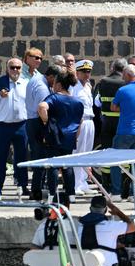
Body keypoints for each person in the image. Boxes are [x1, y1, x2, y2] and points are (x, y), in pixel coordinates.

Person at [31, 196, 135, 266]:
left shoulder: (81, 225)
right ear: (105, 211)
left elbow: (33, 249)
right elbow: (133, 227)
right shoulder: (76, 225)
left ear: (90, 209)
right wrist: (117, 211)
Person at [0, 58, 29, 194]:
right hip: (2, 126)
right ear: (7, 69)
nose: (15, 70)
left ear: (22, 69)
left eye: (18, 67)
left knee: (21, 158)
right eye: (12, 67)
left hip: (21, 126)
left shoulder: (26, 84)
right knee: (0, 157)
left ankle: (23, 185)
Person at [38, 70, 84, 204]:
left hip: (55, 136)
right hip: (70, 138)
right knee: (67, 166)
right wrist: (75, 136)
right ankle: (71, 195)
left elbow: (42, 107)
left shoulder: (54, 97)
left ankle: (52, 194)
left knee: (53, 165)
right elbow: (79, 122)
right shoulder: (78, 102)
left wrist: (46, 121)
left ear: (58, 84)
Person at [109, 64, 135, 201]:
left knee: (115, 161)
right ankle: (134, 194)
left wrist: (125, 110)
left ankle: (116, 193)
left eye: (123, 75)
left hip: (125, 131)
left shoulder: (122, 90)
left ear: (127, 75)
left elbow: (113, 107)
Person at [26, 65, 61, 200]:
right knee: (41, 159)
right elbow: (42, 109)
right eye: (56, 80)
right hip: (38, 123)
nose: (56, 83)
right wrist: (47, 125)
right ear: (51, 76)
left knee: (37, 158)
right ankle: (37, 191)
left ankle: (36, 190)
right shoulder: (42, 87)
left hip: (31, 121)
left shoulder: (36, 79)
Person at [94, 58, 127, 188]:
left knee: (107, 151)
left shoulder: (103, 82)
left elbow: (97, 102)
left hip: (107, 122)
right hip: (122, 122)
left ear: (112, 68)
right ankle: (123, 183)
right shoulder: (126, 83)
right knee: (123, 153)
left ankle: (106, 184)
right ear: (124, 69)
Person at [71, 59, 96, 196]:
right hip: (80, 121)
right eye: (83, 71)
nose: (87, 74)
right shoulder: (74, 87)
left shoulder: (88, 86)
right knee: (78, 153)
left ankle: (84, 182)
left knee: (87, 153)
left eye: (88, 71)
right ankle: (76, 184)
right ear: (77, 72)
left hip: (90, 120)